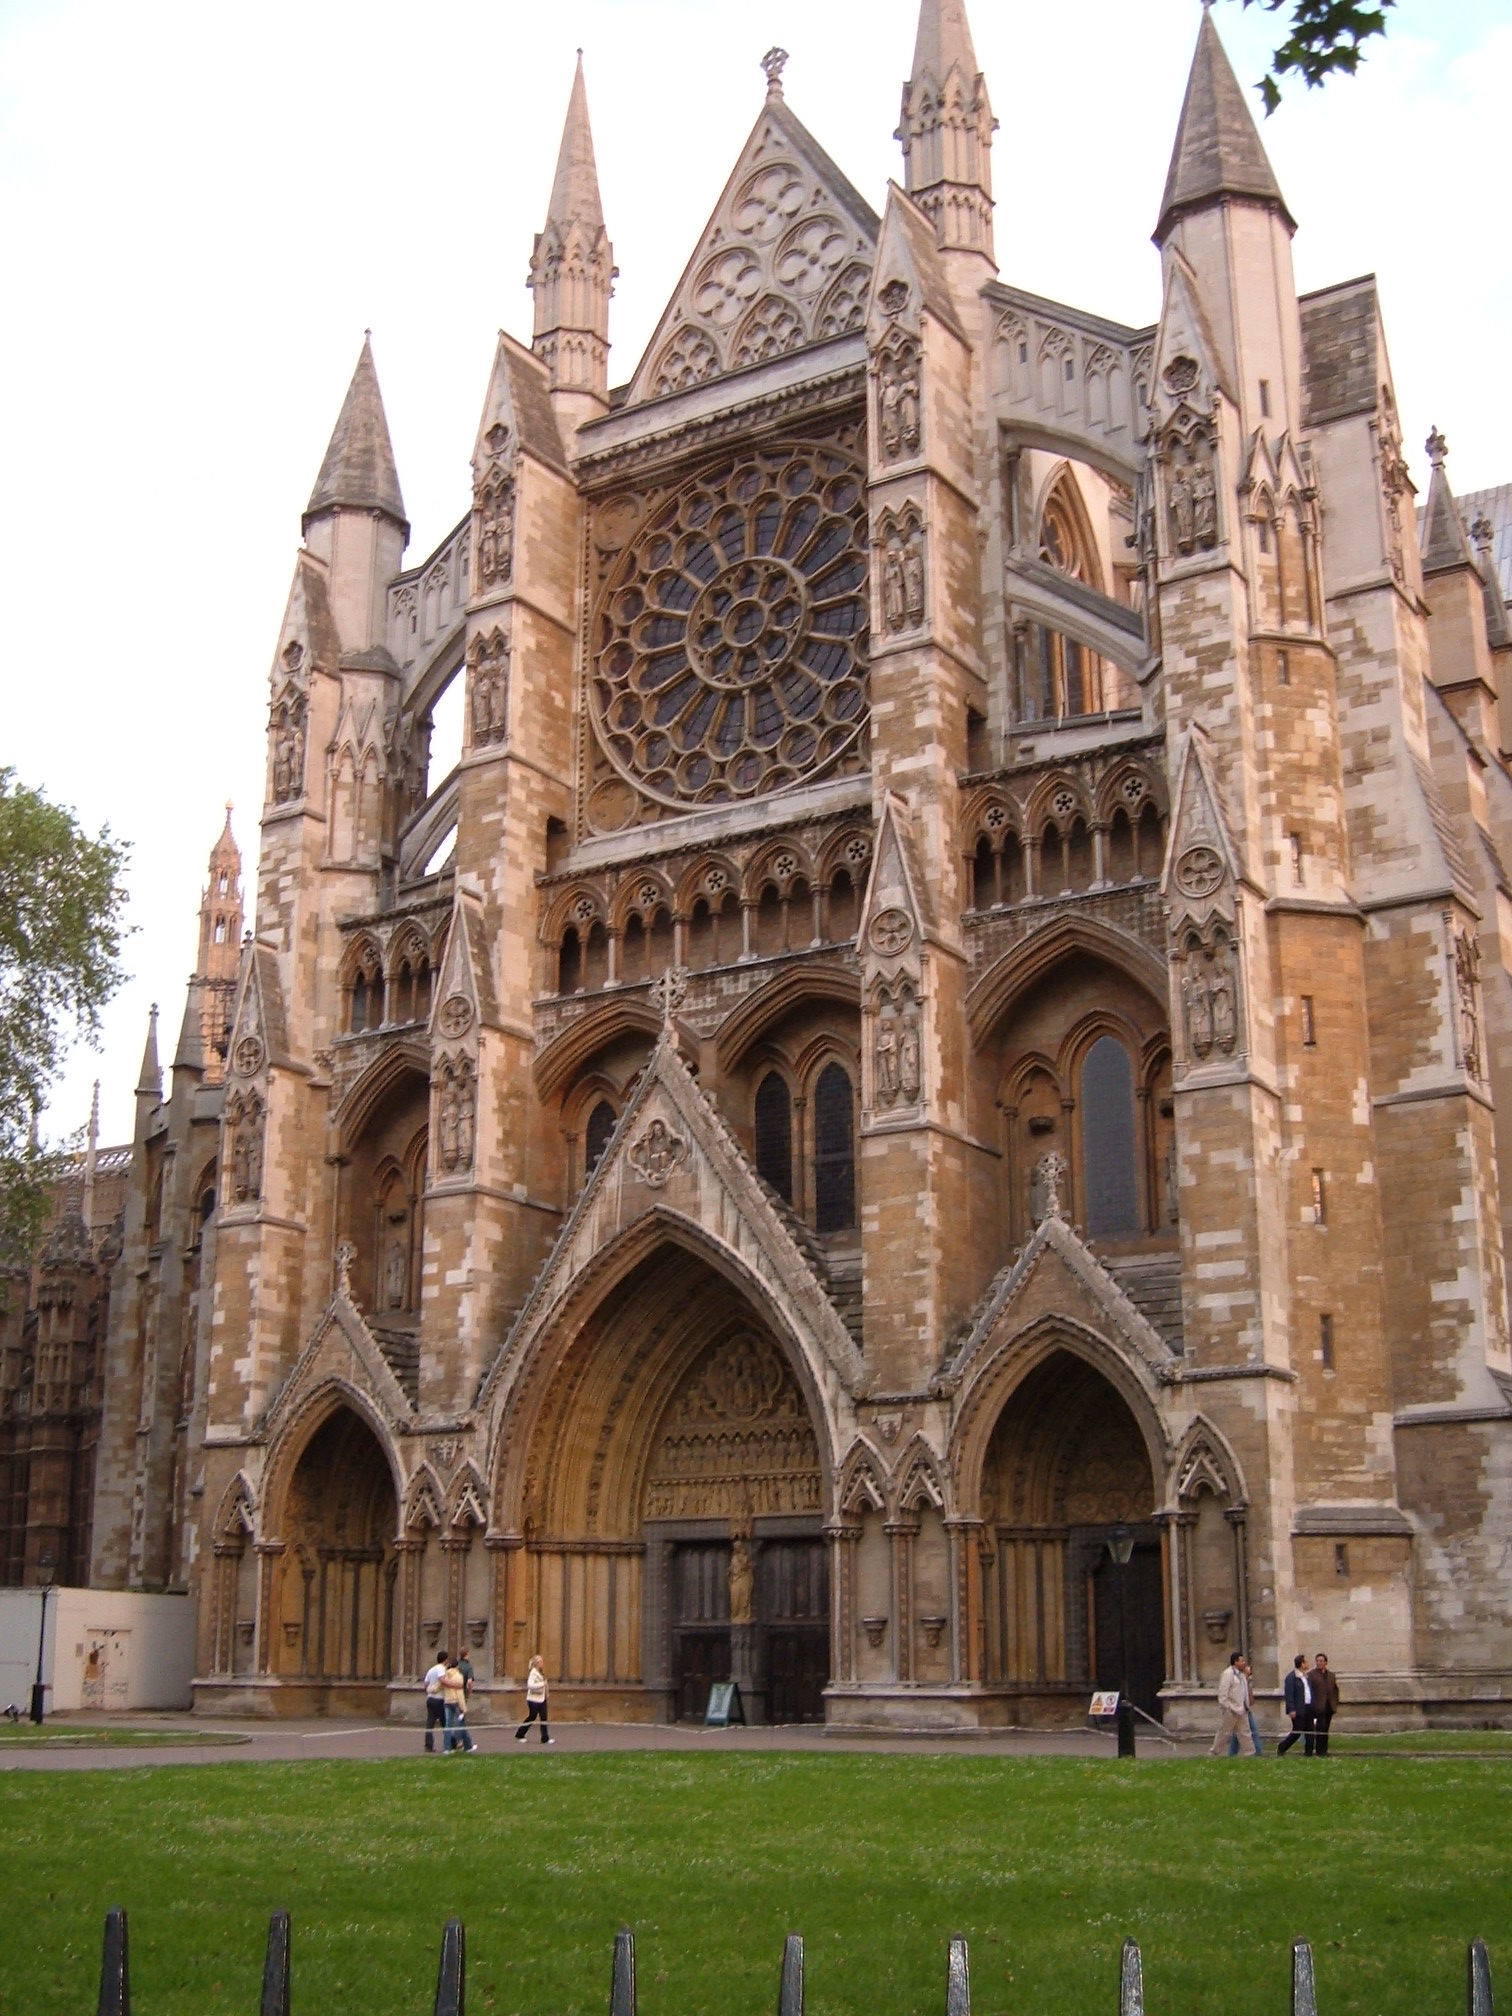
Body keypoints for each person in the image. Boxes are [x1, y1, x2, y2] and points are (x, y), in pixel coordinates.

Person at [1209, 1649, 1249, 1756]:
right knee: (1224, 1732)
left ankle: (1250, 1753)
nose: (1244, 1663)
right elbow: (1223, 1694)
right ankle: (1214, 1752)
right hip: (1231, 1710)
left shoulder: (1241, 1675)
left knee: (1245, 1733)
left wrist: (1245, 1706)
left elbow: (1243, 1691)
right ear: (1235, 1662)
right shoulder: (1228, 1674)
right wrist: (1229, 1707)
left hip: (1241, 1709)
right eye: (1241, 1661)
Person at [1278, 1653, 1314, 1755]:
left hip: (1308, 1707)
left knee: (1310, 1732)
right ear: (1301, 1664)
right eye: (1306, 1662)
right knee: (1297, 1731)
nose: (1308, 1664)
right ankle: (1282, 1747)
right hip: (1298, 1709)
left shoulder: (1306, 1676)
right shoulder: (1291, 1677)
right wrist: (1291, 1709)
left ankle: (1309, 1753)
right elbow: (1289, 1694)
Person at [1227, 1655, 1264, 1756]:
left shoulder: (1245, 1680)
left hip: (1245, 1710)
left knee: (1240, 1734)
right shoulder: (1234, 1678)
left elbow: (1251, 1700)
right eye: (1242, 1661)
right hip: (1237, 1710)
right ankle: (1257, 1752)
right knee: (1249, 1732)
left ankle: (1232, 1754)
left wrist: (1248, 1680)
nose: (1245, 1664)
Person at [516, 1653, 553, 1746]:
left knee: (544, 1718)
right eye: (540, 1661)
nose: (542, 1663)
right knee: (532, 1717)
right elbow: (530, 1685)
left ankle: (545, 1738)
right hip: (533, 1700)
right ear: (536, 1663)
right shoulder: (533, 1673)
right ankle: (520, 1734)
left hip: (541, 1698)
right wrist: (542, 1684)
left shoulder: (540, 1672)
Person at [441, 1657, 476, 1754]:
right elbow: (460, 1693)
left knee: (448, 1726)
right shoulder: (458, 1676)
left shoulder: (445, 1675)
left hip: (447, 1701)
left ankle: (447, 1748)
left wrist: (431, 1690)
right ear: (457, 1666)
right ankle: (468, 1746)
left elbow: (439, 1686)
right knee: (462, 1724)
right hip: (456, 1702)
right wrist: (464, 1707)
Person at [1312, 1652, 1341, 1756]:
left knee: (1326, 1729)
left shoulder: (1331, 1675)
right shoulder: (1312, 1675)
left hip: (1329, 1706)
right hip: (1318, 1707)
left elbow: (1335, 1690)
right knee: (1320, 1728)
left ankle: (1324, 1750)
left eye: (1321, 1661)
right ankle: (1319, 1751)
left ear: (1325, 1662)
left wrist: (1335, 1702)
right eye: (1317, 1661)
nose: (1319, 1663)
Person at [423, 1652, 448, 1754]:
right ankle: (451, 1744)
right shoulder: (441, 1668)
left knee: (430, 1723)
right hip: (439, 1699)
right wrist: (454, 1685)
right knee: (445, 1723)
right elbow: (442, 1679)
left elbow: (425, 1684)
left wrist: (429, 1691)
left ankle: (428, 1745)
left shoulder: (431, 1669)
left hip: (430, 1699)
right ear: (445, 1660)